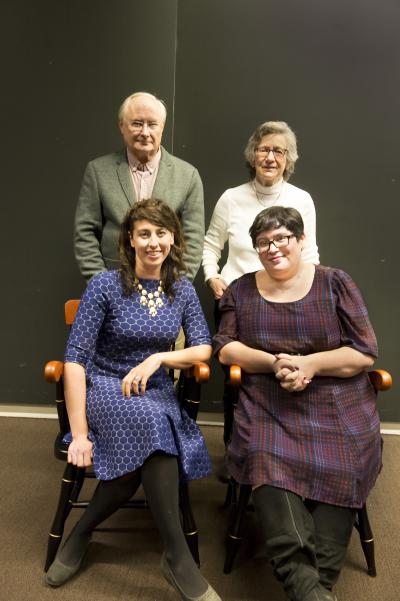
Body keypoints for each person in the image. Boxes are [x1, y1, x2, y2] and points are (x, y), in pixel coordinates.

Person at [46, 199, 221, 601]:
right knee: (154, 428)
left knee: (147, 436)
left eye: (161, 233)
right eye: (144, 233)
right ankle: (177, 558)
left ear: (173, 237)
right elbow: (74, 360)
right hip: (105, 386)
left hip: (155, 390)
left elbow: (203, 349)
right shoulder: (105, 285)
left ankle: (82, 532)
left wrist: (159, 357)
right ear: (130, 238)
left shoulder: (180, 288)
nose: (154, 242)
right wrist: (79, 434)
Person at [213, 206, 381, 601]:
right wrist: (275, 363)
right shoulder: (241, 289)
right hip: (269, 399)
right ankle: (314, 592)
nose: (272, 249)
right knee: (266, 459)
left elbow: (364, 352)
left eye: (281, 238)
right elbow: (225, 348)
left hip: (336, 397)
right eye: (263, 243)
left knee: (345, 460)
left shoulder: (334, 282)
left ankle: (309, 590)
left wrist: (309, 364)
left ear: (301, 240)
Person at [203, 121, 319, 447]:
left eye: (278, 151)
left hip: (287, 301)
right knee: (236, 382)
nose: (270, 157)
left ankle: (284, 449)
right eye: (264, 149)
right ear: (253, 154)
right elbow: (211, 245)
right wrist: (213, 276)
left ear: (288, 159)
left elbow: (309, 253)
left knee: (282, 375)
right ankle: (234, 450)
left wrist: (310, 296)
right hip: (236, 303)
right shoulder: (231, 198)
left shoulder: (302, 200)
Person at [74, 92, 204, 282]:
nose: (145, 132)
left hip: (166, 290)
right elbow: (84, 233)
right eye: (137, 123)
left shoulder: (188, 175)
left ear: (162, 127)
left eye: (152, 124)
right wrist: (101, 286)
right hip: (112, 285)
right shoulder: (98, 171)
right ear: (121, 126)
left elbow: (193, 240)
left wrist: (175, 288)